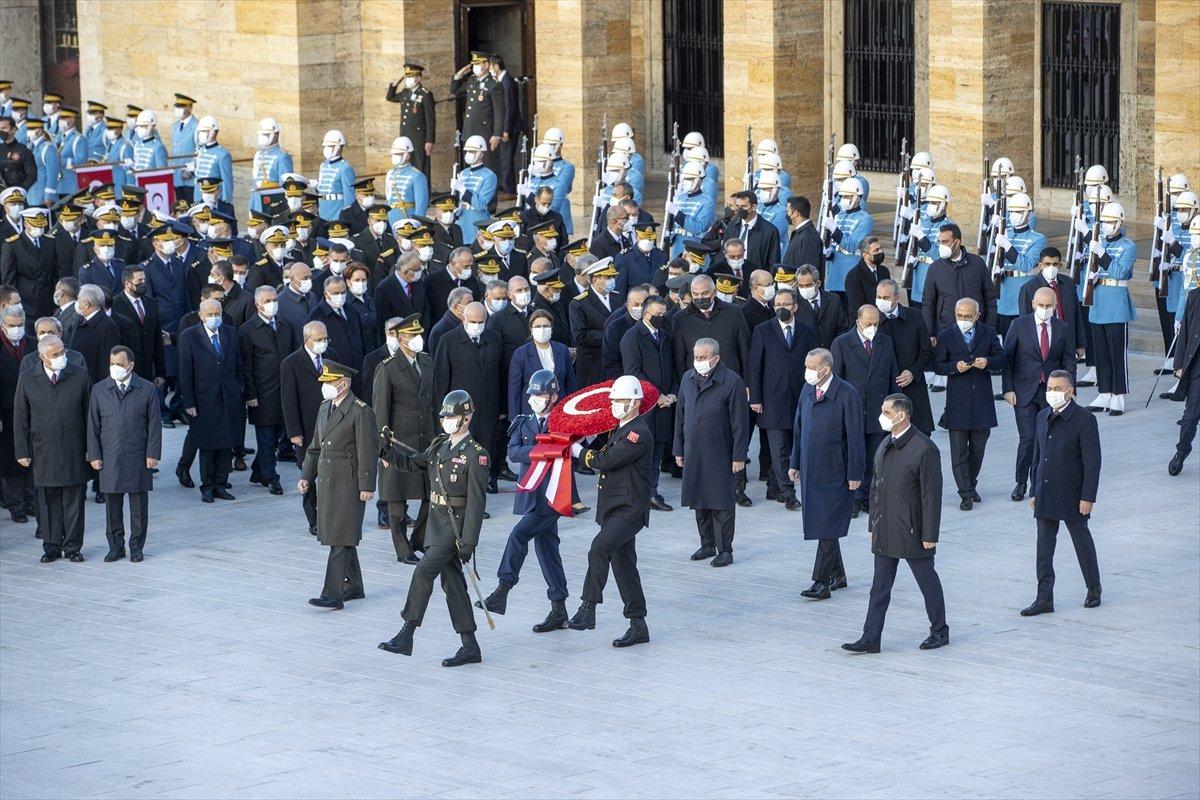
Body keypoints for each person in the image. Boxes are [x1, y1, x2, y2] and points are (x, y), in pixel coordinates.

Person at [378, 390, 488, 667]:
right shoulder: (440, 445)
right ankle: (469, 645)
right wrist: (386, 450)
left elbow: (476, 502)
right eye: (444, 416)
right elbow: (413, 462)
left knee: (423, 571)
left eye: (452, 416)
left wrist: (469, 541)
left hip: (455, 526)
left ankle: (407, 633)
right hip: (436, 522)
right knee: (453, 584)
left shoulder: (476, 455)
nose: (446, 421)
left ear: (467, 417)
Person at [842, 393, 949, 653]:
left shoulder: (925, 449)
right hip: (886, 528)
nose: (882, 417)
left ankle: (940, 630)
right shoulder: (885, 444)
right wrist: (872, 525)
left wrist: (930, 533)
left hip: (913, 530)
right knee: (879, 587)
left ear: (901, 416)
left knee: (927, 582)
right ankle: (870, 637)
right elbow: (876, 490)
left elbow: (931, 496)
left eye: (886, 413)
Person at [478, 370, 573, 630]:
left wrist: (538, 450)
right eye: (533, 394)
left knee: (518, 536)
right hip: (531, 494)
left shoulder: (563, 422)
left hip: (553, 495)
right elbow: (512, 452)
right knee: (547, 550)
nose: (536, 399)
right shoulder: (524, 421)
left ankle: (503, 589)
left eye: (541, 394)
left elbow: (566, 450)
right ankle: (559, 608)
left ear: (554, 396)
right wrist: (541, 450)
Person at [567, 376, 656, 647]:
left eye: (622, 400)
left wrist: (580, 452)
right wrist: (582, 435)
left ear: (636, 403)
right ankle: (638, 624)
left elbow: (606, 460)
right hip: (613, 508)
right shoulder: (615, 429)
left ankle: (588, 608)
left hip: (629, 510)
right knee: (624, 567)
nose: (617, 405)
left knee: (599, 549)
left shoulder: (637, 433)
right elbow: (599, 447)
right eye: (615, 400)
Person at [298, 361, 378, 610]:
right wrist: (306, 475)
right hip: (328, 481)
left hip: (348, 481)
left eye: (330, 382)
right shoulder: (325, 408)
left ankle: (332, 593)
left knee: (340, 537)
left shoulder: (360, 411)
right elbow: (315, 447)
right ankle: (354, 585)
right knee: (341, 533)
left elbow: (368, 450)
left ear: (343, 384)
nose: (326, 386)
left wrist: (367, 485)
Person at [1021, 370, 1102, 615]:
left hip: (1072, 493)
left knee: (1082, 541)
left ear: (1070, 391)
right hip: (1045, 491)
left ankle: (1093, 588)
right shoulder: (1042, 416)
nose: (1052, 393)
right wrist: (1033, 490)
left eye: (1057, 389)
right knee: (1044, 549)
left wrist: (1088, 497)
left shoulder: (1084, 419)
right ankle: (1044, 598)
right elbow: (1037, 456)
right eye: (1049, 388)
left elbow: (1092, 462)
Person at [788, 348, 864, 600]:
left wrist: (855, 473)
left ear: (826, 369)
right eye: (806, 365)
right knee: (824, 522)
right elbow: (799, 429)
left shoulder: (846, 394)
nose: (807, 371)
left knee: (827, 525)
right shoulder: (807, 389)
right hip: (811, 470)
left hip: (836, 471)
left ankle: (821, 582)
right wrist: (795, 462)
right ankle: (838, 574)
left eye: (812, 366)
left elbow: (855, 437)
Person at [13, 334, 92, 562]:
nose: (60, 357)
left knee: (74, 500)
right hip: (43, 451)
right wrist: (22, 451)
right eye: (55, 355)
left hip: (74, 449)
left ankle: (73, 547)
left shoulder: (79, 375)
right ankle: (52, 546)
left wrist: (92, 450)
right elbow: (20, 417)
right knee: (47, 502)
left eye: (62, 352)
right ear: (42, 357)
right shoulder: (28, 379)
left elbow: (90, 416)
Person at [674, 338, 750, 567]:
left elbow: (740, 422)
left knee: (721, 502)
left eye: (703, 358)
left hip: (720, 451)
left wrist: (738, 456)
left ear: (715, 358)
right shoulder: (688, 378)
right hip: (694, 451)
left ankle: (725, 549)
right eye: (696, 357)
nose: (698, 362)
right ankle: (707, 544)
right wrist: (678, 449)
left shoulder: (731, 381)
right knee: (700, 500)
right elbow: (680, 416)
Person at [86, 346, 161, 562]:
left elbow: (155, 424)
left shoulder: (146, 389)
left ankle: (136, 547)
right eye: (112, 364)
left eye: (119, 364)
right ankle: (115, 547)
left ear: (130, 365)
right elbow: (93, 425)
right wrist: (94, 454)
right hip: (109, 456)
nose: (115, 368)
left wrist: (152, 453)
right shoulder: (100, 389)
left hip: (138, 455)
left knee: (138, 507)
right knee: (112, 506)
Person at [1003, 287, 1075, 501]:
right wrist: (1007, 389)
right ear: (1033, 304)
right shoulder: (1019, 325)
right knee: (1028, 438)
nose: (1045, 309)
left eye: (1049, 306)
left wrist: (1070, 389)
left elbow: (1068, 359)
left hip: (1051, 393)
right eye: (1041, 305)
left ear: (1055, 306)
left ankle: (1040, 484)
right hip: (1024, 391)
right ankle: (1021, 482)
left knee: (1047, 439)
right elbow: (1007, 359)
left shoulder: (1062, 328)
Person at [373, 314, 435, 564]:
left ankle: (419, 540)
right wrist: (383, 451)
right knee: (397, 501)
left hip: (425, 440)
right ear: (400, 339)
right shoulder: (387, 368)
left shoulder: (427, 362)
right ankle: (402, 549)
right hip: (399, 443)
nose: (417, 339)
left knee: (430, 496)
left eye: (419, 334)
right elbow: (380, 412)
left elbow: (435, 400)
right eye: (412, 336)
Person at [933, 298, 1004, 510]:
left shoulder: (988, 332)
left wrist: (988, 363)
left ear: (977, 316)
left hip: (982, 400)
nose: (963, 320)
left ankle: (971, 485)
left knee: (978, 448)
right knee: (958, 451)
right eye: (959, 315)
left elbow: (1001, 357)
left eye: (967, 316)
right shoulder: (946, 336)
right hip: (958, 401)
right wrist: (955, 367)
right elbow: (938, 365)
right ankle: (965, 493)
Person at [749, 288, 814, 510]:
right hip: (771, 399)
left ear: (795, 306)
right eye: (777, 305)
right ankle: (788, 493)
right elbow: (754, 366)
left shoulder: (806, 331)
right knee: (778, 448)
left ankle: (773, 487)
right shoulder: (762, 330)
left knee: (792, 443)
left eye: (785, 304)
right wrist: (755, 397)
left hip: (798, 398)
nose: (781, 308)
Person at [831, 304, 898, 514]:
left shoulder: (885, 342)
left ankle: (870, 497)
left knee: (875, 456)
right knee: (852, 455)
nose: (873, 327)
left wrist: (893, 409)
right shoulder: (842, 343)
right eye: (869, 323)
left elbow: (891, 376)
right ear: (858, 321)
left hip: (878, 412)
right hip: (852, 411)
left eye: (876, 323)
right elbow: (836, 380)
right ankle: (852, 499)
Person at [433, 301, 503, 493]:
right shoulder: (448, 340)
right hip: (459, 412)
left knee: (483, 453)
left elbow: (501, 374)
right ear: (463, 318)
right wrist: (442, 413)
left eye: (481, 322)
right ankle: (461, 493)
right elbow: (441, 379)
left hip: (488, 409)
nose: (477, 325)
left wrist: (503, 409)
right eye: (473, 321)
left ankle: (480, 491)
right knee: (462, 455)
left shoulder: (494, 339)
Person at [178, 299, 242, 503]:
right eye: (210, 314)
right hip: (203, 399)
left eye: (218, 314)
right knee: (207, 444)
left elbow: (238, 363)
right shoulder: (190, 336)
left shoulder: (230, 333)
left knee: (226, 443)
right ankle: (207, 486)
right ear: (201, 315)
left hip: (228, 397)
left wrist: (239, 389)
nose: (215, 318)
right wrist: (189, 402)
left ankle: (221, 484)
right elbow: (185, 371)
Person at [619, 296, 676, 510]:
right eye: (657, 315)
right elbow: (634, 372)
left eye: (664, 314)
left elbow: (673, 367)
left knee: (658, 451)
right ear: (645, 313)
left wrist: (672, 393)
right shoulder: (632, 337)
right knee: (643, 452)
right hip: (645, 407)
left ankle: (652, 491)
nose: (662, 318)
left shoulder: (664, 334)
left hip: (664, 405)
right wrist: (657, 394)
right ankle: (642, 494)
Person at [1080, 202, 1137, 415]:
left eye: (1111, 222)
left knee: (1116, 353)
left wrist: (1102, 253)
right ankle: (1104, 393)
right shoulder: (1098, 243)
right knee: (1101, 353)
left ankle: (1118, 396)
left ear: (1120, 223)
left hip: (1116, 303)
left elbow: (1120, 272)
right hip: (1098, 301)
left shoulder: (1129, 246)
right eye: (1104, 222)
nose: (1107, 225)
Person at [238, 286, 293, 495]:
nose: (272, 304)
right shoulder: (248, 329)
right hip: (262, 393)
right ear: (257, 304)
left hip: (283, 390)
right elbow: (246, 366)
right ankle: (271, 477)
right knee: (266, 437)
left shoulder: (284, 325)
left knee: (277, 434)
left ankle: (258, 471)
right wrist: (250, 394)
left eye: (274, 299)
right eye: (268, 300)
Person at [875, 279, 934, 434]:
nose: (881, 301)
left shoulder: (914, 316)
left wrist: (912, 372)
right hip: (884, 390)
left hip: (913, 388)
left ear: (897, 297)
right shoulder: (872, 320)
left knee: (919, 435)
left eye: (886, 297)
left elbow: (926, 351)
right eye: (878, 297)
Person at [1017, 247, 1087, 359]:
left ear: (1060, 265)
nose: (1051, 267)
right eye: (1047, 264)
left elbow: (1077, 315)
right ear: (1040, 265)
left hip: (1067, 342)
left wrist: (1080, 344)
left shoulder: (1068, 283)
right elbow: (1025, 322)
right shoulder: (1028, 289)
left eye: (1055, 264)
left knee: (1069, 375)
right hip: (1043, 345)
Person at [507, 308, 575, 420]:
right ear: (531, 329)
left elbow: (570, 384)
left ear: (552, 328)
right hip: (531, 413)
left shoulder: (562, 350)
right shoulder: (521, 354)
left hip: (559, 410)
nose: (542, 329)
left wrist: (571, 412)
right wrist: (515, 420)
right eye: (538, 326)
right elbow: (514, 391)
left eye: (546, 326)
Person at [1, 306, 35, 523]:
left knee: (30, 454)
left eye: (19, 325)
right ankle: (16, 505)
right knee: (9, 458)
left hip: (32, 410)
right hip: (7, 411)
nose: (16, 329)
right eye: (12, 326)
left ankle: (31, 499)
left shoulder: (32, 344)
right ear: (3, 325)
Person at [569, 257, 622, 387]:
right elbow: (580, 335)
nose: (612, 281)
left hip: (617, 363)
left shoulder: (618, 297)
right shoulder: (579, 303)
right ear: (594, 279)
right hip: (593, 365)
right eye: (607, 277)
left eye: (612, 277)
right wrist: (610, 336)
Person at [450, 52, 504, 173]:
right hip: (470, 130)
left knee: (488, 167)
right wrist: (459, 74)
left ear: (486, 65)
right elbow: (454, 90)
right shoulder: (472, 80)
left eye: (478, 64)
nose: (475, 67)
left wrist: (497, 134)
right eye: (474, 64)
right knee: (470, 166)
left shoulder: (494, 84)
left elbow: (499, 112)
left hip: (485, 132)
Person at [1, 208, 57, 320]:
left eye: (42, 226)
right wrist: (14, 305)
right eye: (36, 226)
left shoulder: (50, 242)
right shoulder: (13, 245)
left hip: (47, 301)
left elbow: (55, 271)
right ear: (26, 224)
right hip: (26, 302)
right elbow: (9, 280)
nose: (40, 229)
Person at [1169, 286, 1200, 476]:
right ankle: (1181, 451)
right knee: (1190, 418)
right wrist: (1179, 364)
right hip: (1198, 367)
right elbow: (1185, 331)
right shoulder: (1195, 295)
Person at [386, 64, 436, 177]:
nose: (408, 80)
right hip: (405, 136)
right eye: (406, 77)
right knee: (405, 166)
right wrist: (395, 83)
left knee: (419, 168)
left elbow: (430, 119)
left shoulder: (425, 95)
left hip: (419, 138)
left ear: (418, 78)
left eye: (411, 76)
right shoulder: (405, 92)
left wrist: (429, 141)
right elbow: (390, 97)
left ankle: (423, 193)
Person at [69, 284, 122, 384]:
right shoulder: (80, 320)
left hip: (92, 385)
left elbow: (106, 363)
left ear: (86, 304)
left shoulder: (107, 326)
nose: (77, 302)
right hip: (77, 382)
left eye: (78, 299)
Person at [793, 265, 847, 350]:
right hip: (806, 356)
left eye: (808, 285)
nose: (804, 289)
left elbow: (843, 328)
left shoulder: (833, 299)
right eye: (801, 286)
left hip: (831, 353)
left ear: (818, 284)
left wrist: (837, 350)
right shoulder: (793, 301)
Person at [843, 237, 890, 316]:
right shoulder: (854, 276)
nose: (881, 251)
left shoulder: (884, 271)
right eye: (876, 250)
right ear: (865, 255)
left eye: (881, 248)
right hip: (864, 321)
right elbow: (858, 306)